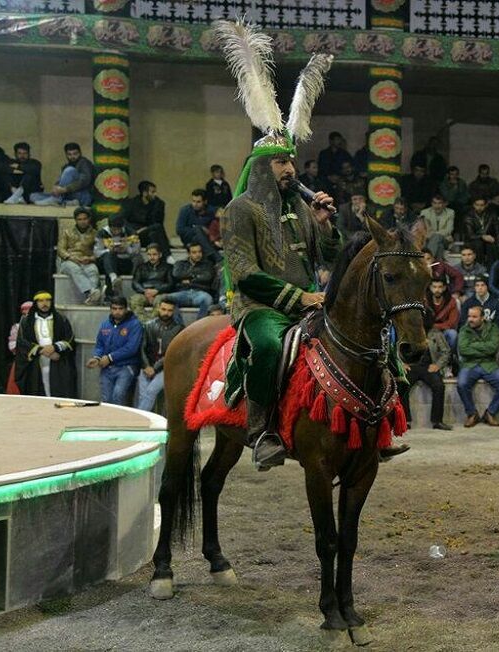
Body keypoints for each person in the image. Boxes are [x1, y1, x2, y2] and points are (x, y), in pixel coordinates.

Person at [218, 34, 344, 469]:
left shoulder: (301, 207)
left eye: (291, 162)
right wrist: (300, 298)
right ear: (261, 169)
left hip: (310, 303)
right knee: (270, 346)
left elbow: (329, 257)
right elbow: (244, 273)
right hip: (259, 308)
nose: (291, 169)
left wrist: (326, 227)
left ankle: (365, 427)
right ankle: (261, 430)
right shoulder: (240, 209)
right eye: (280, 163)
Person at [14, 291, 77, 398]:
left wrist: (55, 348)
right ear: (36, 303)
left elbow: (69, 339)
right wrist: (41, 350)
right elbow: (22, 342)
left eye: (47, 300)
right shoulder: (26, 321)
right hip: (35, 365)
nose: (45, 303)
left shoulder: (61, 319)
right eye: (41, 301)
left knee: (57, 393)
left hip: (57, 363)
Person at [457, 305, 499, 427]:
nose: (470, 319)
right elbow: (463, 349)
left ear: (482, 317)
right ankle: (472, 413)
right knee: (461, 384)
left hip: (489, 364)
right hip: (470, 364)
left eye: (474, 316)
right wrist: (483, 347)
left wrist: (474, 345)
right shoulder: (464, 329)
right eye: (469, 316)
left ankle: (490, 413)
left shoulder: (493, 328)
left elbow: (493, 348)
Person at [87, 296, 144, 405]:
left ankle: (119, 422)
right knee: (106, 399)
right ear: (110, 309)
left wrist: (110, 357)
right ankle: (107, 421)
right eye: (114, 308)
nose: (117, 312)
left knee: (118, 396)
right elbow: (99, 344)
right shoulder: (105, 324)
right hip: (107, 368)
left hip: (126, 366)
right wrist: (97, 357)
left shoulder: (135, 324)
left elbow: (132, 348)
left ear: (126, 309)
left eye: (120, 308)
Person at [401, 322, 453, 431]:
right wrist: (401, 364)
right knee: (402, 385)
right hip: (410, 366)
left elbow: (446, 351)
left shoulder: (435, 334)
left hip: (429, 366)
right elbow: (395, 350)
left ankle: (437, 421)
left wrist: (438, 365)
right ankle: (405, 421)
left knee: (439, 386)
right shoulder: (405, 332)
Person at [136, 297, 183, 412]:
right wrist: (146, 366)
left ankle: (138, 421)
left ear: (174, 311)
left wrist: (155, 368)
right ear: (158, 308)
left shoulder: (179, 329)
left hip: (166, 368)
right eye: (163, 309)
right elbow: (141, 348)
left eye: (169, 310)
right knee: (143, 395)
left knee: (150, 391)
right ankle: (148, 424)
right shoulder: (148, 325)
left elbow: (172, 353)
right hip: (146, 366)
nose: (166, 313)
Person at [58, 206, 103, 305]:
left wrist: (90, 258)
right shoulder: (67, 232)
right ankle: (90, 292)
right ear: (75, 220)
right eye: (79, 219)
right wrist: (70, 257)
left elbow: (99, 251)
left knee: (93, 270)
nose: (82, 221)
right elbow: (60, 249)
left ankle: (92, 298)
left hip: (86, 261)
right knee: (74, 269)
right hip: (69, 261)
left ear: (89, 219)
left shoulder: (95, 234)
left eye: (85, 219)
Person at [118, 180, 170, 258]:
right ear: (144, 193)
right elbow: (122, 220)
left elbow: (158, 223)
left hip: (148, 233)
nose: (155, 194)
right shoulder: (131, 203)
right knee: (156, 230)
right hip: (134, 234)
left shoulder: (158, 204)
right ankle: (168, 256)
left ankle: (161, 258)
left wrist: (144, 229)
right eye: (152, 192)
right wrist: (134, 231)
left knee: (155, 232)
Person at [31, 142, 93, 206]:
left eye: (75, 154)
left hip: (82, 195)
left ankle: (57, 199)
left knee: (69, 170)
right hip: (67, 195)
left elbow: (84, 180)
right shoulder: (65, 166)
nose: (72, 156)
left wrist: (65, 189)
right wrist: (56, 188)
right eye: (69, 154)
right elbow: (61, 181)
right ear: (66, 155)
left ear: (80, 153)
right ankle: (67, 202)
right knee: (33, 196)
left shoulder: (84, 163)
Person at [165, 242, 215, 319]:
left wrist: (190, 279)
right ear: (188, 253)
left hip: (199, 293)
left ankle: (198, 326)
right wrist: (197, 277)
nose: (198, 254)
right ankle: (178, 327)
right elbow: (176, 274)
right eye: (194, 252)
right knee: (167, 298)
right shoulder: (180, 263)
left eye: (199, 252)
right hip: (183, 292)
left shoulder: (207, 265)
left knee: (208, 299)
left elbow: (207, 277)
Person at [95, 218, 142, 298]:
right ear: (109, 227)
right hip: (106, 261)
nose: (116, 232)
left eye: (118, 229)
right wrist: (109, 249)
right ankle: (113, 279)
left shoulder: (131, 232)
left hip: (124, 261)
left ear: (122, 227)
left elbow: (137, 250)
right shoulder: (101, 233)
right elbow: (97, 252)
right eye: (113, 229)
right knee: (109, 256)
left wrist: (126, 249)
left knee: (110, 269)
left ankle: (111, 292)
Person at [130, 244, 174, 321]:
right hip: (144, 292)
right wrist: (145, 291)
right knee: (134, 300)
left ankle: (151, 322)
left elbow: (171, 284)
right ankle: (145, 322)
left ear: (160, 255)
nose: (152, 257)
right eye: (149, 254)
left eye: (154, 254)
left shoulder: (168, 267)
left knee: (161, 301)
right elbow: (135, 283)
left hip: (160, 293)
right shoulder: (141, 267)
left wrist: (157, 291)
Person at [176, 189, 221, 263]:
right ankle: (216, 257)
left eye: (198, 202)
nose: (195, 204)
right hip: (189, 240)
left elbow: (222, 215)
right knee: (198, 229)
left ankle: (212, 256)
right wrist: (198, 229)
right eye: (193, 201)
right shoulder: (185, 210)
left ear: (205, 202)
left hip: (207, 240)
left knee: (201, 234)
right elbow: (179, 230)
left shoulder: (211, 210)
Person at [427, 278, 459, 349]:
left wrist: (434, 326)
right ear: (430, 288)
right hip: (428, 331)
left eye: (440, 287)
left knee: (453, 334)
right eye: (434, 287)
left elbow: (452, 323)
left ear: (444, 288)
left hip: (445, 331)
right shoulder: (425, 301)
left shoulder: (451, 301)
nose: (437, 290)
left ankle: (451, 356)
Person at [420, 194, 455, 259]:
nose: (437, 206)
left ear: (444, 204)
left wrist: (434, 234)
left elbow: (449, 230)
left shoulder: (450, 212)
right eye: (434, 203)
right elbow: (424, 230)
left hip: (445, 239)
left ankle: (427, 259)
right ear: (431, 204)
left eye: (439, 203)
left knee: (437, 237)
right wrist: (431, 234)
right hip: (428, 240)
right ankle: (437, 264)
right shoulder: (425, 212)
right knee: (439, 247)